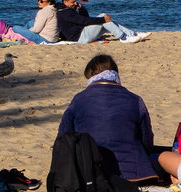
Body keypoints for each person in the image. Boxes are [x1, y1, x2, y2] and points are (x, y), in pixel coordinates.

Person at [57, 54, 164, 184]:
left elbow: (63, 137)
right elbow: (147, 141)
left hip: (91, 174)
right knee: (166, 158)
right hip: (136, 176)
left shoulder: (79, 99)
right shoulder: (135, 99)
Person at [55, 0, 147, 44]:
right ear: (65, 2)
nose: (75, 3)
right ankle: (123, 37)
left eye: (75, 1)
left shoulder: (68, 10)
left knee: (105, 19)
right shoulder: (64, 13)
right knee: (103, 17)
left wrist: (81, 8)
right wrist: (102, 20)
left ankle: (132, 34)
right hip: (80, 37)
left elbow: (85, 17)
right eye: (73, 2)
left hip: (83, 32)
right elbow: (84, 21)